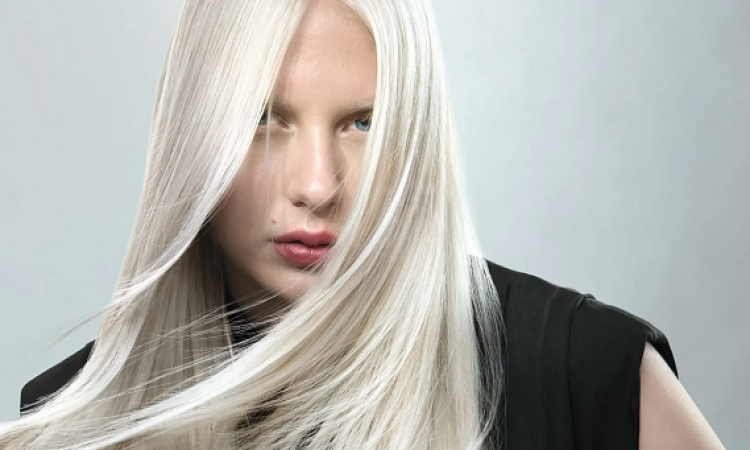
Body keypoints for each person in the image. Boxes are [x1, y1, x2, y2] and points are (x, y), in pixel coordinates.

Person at [1, 0, 724, 449]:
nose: (317, 186)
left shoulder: (584, 374)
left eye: (364, 123)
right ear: (192, 137)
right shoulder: (70, 426)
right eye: (263, 118)